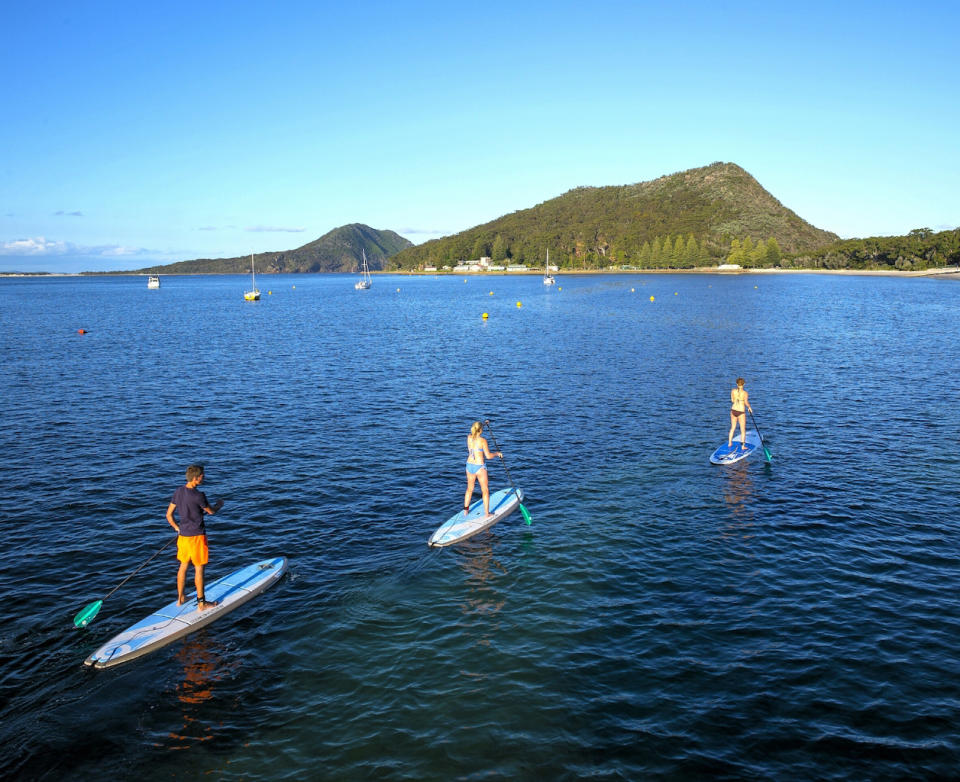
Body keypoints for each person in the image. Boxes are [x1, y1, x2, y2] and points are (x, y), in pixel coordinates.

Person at [166, 464, 223, 611]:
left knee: (183, 566)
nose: (204, 478)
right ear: (196, 478)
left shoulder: (178, 492)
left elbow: (169, 515)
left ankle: (180, 598)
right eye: (202, 476)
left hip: (183, 536)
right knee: (199, 569)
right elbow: (211, 512)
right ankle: (202, 603)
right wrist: (219, 505)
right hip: (197, 536)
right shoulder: (199, 495)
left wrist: (177, 528)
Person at [463, 421, 502, 519]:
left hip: (469, 465)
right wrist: (497, 453)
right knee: (485, 491)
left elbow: (476, 429)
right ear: (481, 430)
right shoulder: (483, 440)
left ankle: (465, 511)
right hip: (479, 467)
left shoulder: (469, 437)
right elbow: (488, 456)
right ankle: (487, 514)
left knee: (469, 489)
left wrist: (484, 424)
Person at [728, 377, 754, 450]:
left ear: (737, 384)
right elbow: (746, 402)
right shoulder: (745, 393)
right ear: (744, 384)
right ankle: (743, 446)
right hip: (741, 412)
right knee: (742, 430)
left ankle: (730, 443)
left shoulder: (733, 391)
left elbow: (732, 400)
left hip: (733, 410)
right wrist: (749, 407)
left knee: (732, 428)